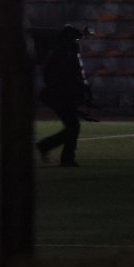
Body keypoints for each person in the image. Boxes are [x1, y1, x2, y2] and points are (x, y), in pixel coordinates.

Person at [36, 24, 92, 167]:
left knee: (73, 126)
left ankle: (61, 155)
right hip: (58, 95)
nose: (78, 42)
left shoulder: (66, 51)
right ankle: (57, 153)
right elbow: (57, 75)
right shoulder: (62, 52)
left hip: (62, 94)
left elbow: (75, 74)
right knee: (73, 126)